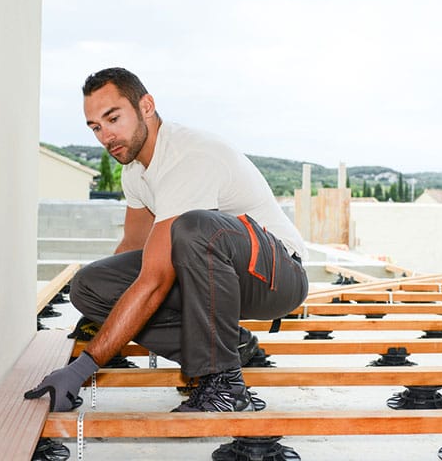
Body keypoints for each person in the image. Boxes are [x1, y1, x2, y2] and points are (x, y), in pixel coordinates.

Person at [25, 67, 308, 413]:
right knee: (89, 285)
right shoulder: (135, 172)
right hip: (216, 277)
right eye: (96, 127)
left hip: (276, 276)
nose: (106, 136)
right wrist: (102, 313)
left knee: (194, 228)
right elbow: (132, 246)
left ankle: (223, 384)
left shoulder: (189, 156)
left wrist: (83, 366)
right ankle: (233, 345)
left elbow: (156, 279)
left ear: (146, 106)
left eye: (113, 118)